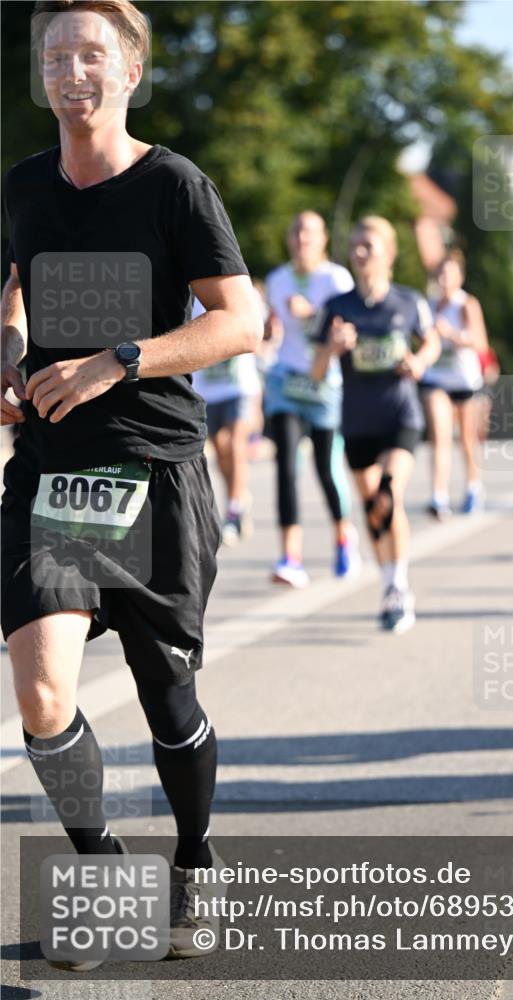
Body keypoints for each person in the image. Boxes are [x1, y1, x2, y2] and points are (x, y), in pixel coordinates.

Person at [1, 0, 262, 966]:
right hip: (51, 471)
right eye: (54, 54)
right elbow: (17, 284)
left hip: (152, 467)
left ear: (130, 72)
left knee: (166, 695)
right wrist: (9, 355)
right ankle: (107, 874)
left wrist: (117, 359)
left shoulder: (174, 185)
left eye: (91, 54)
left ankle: (194, 861)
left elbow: (241, 322)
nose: (70, 70)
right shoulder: (25, 184)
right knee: (41, 692)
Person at [311, 216, 440, 633]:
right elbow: (316, 372)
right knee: (372, 507)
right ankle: (387, 580)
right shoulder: (338, 307)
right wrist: (332, 349)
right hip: (357, 422)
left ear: (389, 253)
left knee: (389, 492)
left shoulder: (408, 301)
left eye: (368, 245)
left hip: (400, 416)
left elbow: (432, 340)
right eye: (355, 245)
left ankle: (399, 585)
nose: (360, 252)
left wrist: (419, 362)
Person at [264, 211, 360, 587]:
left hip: (324, 385)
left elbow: (346, 330)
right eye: (296, 232)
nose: (302, 239)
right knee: (286, 465)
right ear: (289, 239)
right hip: (286, 381)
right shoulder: (277, 280)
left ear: (322, 240)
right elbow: (272, 326)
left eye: (309, 232)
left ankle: (344, 538)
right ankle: (291, 557)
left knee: (326, 468)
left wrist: (312, 314)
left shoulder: (337, 279)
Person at [420, 250, 488, 518]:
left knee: (467, 440)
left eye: (449, 274)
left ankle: (473, 487)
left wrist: (451, 335)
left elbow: (480, 343)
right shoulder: (429, 305)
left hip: (464, 380)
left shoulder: (466, 304)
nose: (443, 279)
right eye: (440, 274)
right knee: (440, 437)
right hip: (436, 379)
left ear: (459, 277)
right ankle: (439, 496)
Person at [192, 294, 261, 545]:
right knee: (221, 451)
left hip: (239, 387)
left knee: (235, 444)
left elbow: (255, 332)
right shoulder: (189, 300)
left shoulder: (239, 290)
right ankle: (238, 496)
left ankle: (233, 511)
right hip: (208, 390)